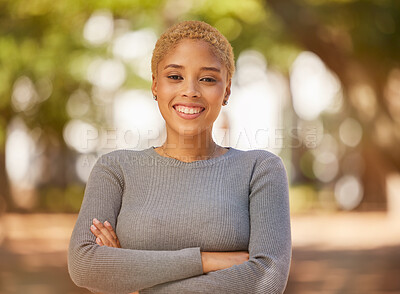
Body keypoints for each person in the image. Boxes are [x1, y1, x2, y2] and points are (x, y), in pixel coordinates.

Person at [68, 20, 291, 294]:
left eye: (207, 79)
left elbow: (266, 280)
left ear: (227, 90)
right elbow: (84, 265)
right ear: (155, 85)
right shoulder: (116, 170)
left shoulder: (260, 169)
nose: (190, 91)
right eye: (175, 76)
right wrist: (206, 261)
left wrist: (132, 279)